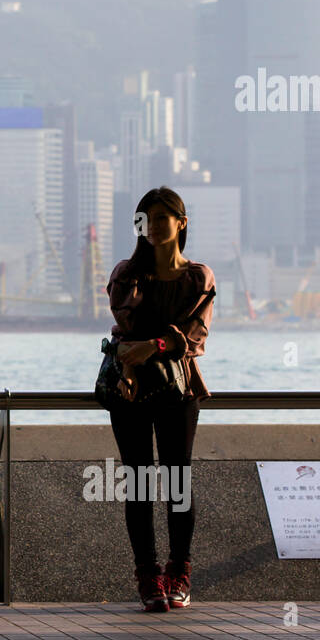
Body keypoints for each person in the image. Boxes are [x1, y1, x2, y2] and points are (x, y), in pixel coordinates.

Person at [105, 186, 216, 612]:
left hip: (179, 390)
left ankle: (179, 573)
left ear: (181, 223)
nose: (151, 226)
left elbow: (195, 336)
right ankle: (148, 577)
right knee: (136, 483)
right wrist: (140, 354)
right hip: (128, 389)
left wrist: (151, 346)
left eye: (160, 218)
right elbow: (124, 329)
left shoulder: (198, 277)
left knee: (178, 482)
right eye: (144, 219)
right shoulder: (125, 273)